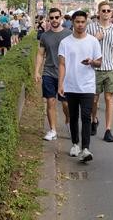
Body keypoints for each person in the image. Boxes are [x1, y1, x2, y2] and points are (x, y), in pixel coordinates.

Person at [58, 10, 102, 163]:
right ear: (73, 23)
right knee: (73, 116)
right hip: (70, 85)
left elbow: (99, 62)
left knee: (86, 117)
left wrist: (91, 61)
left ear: (86, 22)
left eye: (83, 22)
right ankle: (75, 144)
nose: (80, 25)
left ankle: (86, 148)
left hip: (87, 86)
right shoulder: (65, 42)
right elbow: (62, 64)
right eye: (77, 22)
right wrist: (61, 83)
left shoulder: (93, 41)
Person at [86, 1, 113, 143]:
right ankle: (93, 119)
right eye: (104, 10)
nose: (106, 13)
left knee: (109, 99)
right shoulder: (91, 28)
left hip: (110, 68)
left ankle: (108, 130)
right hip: (94, 69)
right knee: (94, 99)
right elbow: (85, 46)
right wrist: (96, 38)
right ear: (99, 12)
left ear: (112, 13)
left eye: (108, 11)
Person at [35, 8, 72, 141]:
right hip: (48, 72)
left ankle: (68, 120)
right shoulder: (45, 36)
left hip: (65, 74)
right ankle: (53, 130)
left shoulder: (69, 34)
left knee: (66, 104)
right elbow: (40, 54)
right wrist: (37, 71)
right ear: (48, 19)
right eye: (52, 18)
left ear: (61, 17)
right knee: (50, 101)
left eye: (57, 17)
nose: (54, 20)